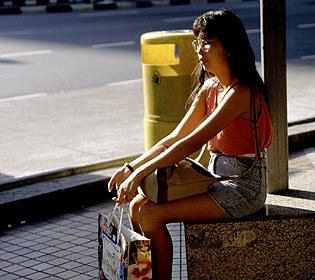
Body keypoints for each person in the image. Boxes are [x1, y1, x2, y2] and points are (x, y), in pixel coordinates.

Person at [108, 9, 273, 280]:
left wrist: (138, 174)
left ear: (230, 47)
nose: (200, 49)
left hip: (245, 186)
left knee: (150, 215)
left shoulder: (241, 92)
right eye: (198, 42)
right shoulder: (210, 88)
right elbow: (173, 138)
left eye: (208, 42)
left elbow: (191, 143)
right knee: (138, 204)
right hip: (217, 177)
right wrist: (130, 167)